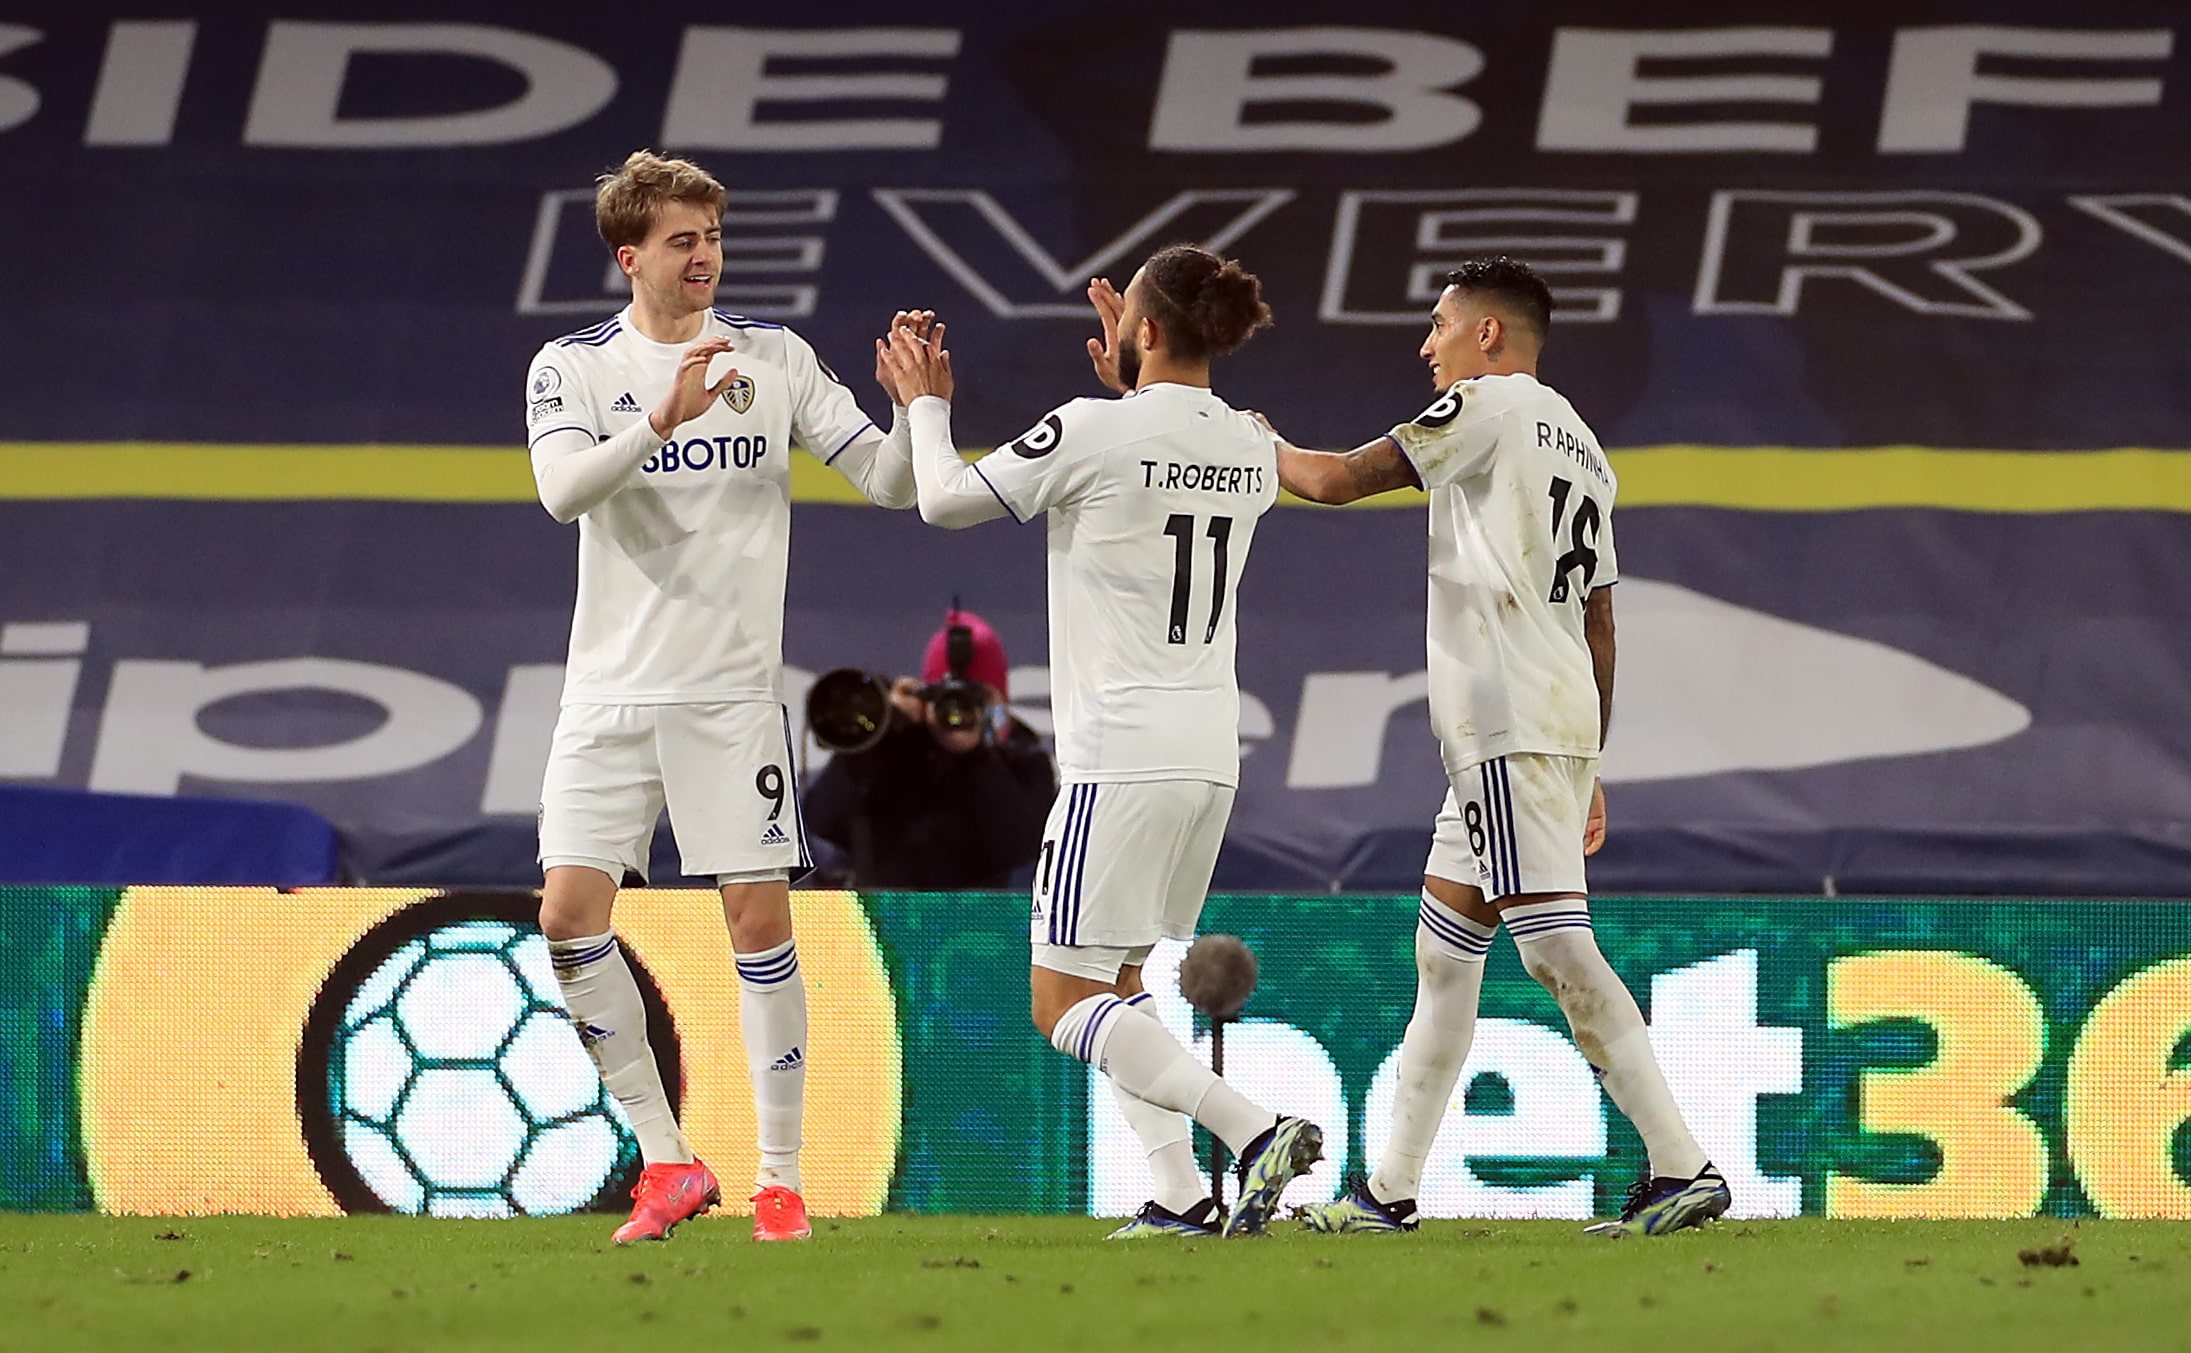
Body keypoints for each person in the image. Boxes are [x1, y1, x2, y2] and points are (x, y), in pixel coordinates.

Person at [1272, 257, 1728, 1238]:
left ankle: (1682, 1163)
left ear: (1487, 334)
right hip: (1533, 722)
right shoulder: (1584, 446)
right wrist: (1593, 759)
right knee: (1445, 960)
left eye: (1438, 324)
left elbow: (1337, 480)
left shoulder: (1485, 405)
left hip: (1509, 725)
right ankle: (1385, 1191)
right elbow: (1601, 621)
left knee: (1557, 948)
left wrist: (1235, 438)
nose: (1424, 345)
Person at [875, 244, 1323, 1241]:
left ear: (1146, 331)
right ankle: (1177, 1193)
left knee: (1056, 1001)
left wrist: (925, 405)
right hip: (1207, 754)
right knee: (1116, 984)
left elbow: (944, 500)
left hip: (1117, 754)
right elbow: (1164, 446)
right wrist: (1136, 372)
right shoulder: (1250, 442)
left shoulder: (1091, 430)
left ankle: (1253, 1131)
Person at [523, 149, 928, 1244]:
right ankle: (666, 1161)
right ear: (630, 256)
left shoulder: (776, 358)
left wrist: (920, 414)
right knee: (566, 917)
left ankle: (782, 1178)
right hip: (607, 695)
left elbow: (889, 482)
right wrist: (661, 418)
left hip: (725, 695)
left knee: (756, 921)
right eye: (681, 241)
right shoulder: (570, 367)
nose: (704, 256)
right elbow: (561, 494)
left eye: (712, 236)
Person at [803, 610, 1056, 888]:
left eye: (976, 698)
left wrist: (976, 758)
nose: (957, 711)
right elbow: (821, 821)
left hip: (982, 926)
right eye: (945, 697)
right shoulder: (897, 751)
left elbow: (1023, 847)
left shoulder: (1025, 761)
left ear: (1002, 701)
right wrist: (878, 740)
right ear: (926, 696)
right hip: (879, 923)